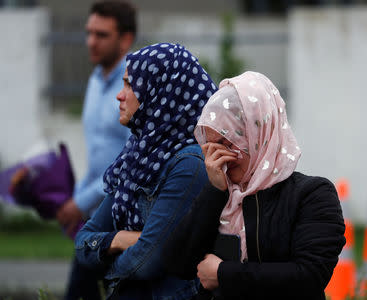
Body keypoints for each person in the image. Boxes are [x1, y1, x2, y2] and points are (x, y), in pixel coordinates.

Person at [163, 71, 346, 300]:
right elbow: (177, 263)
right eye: (209, 146)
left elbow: (309, 275)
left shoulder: (312, 195)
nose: (218, 157)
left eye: (225, 142)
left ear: (258, 133)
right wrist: (214, 192)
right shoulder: (221, 194)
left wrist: (223, 273)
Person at [75, 42, 218, 300]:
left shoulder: (190, 164)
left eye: (131, 85)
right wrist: (120, 239)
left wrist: (108, 266)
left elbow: (149, 262)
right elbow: (82, 242)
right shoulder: (138, 154)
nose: (120, 95)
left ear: (163, 92)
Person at [57, 2, 136, 299]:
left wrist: (81, 202)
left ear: (125, 39)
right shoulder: (94, 81)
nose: (91, 41)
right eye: (89, 33)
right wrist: (76, 201)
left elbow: (129, 161)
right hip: (95, 219)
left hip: (125, 219)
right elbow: (98, 157)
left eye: (101, 34)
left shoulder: (134, 87)